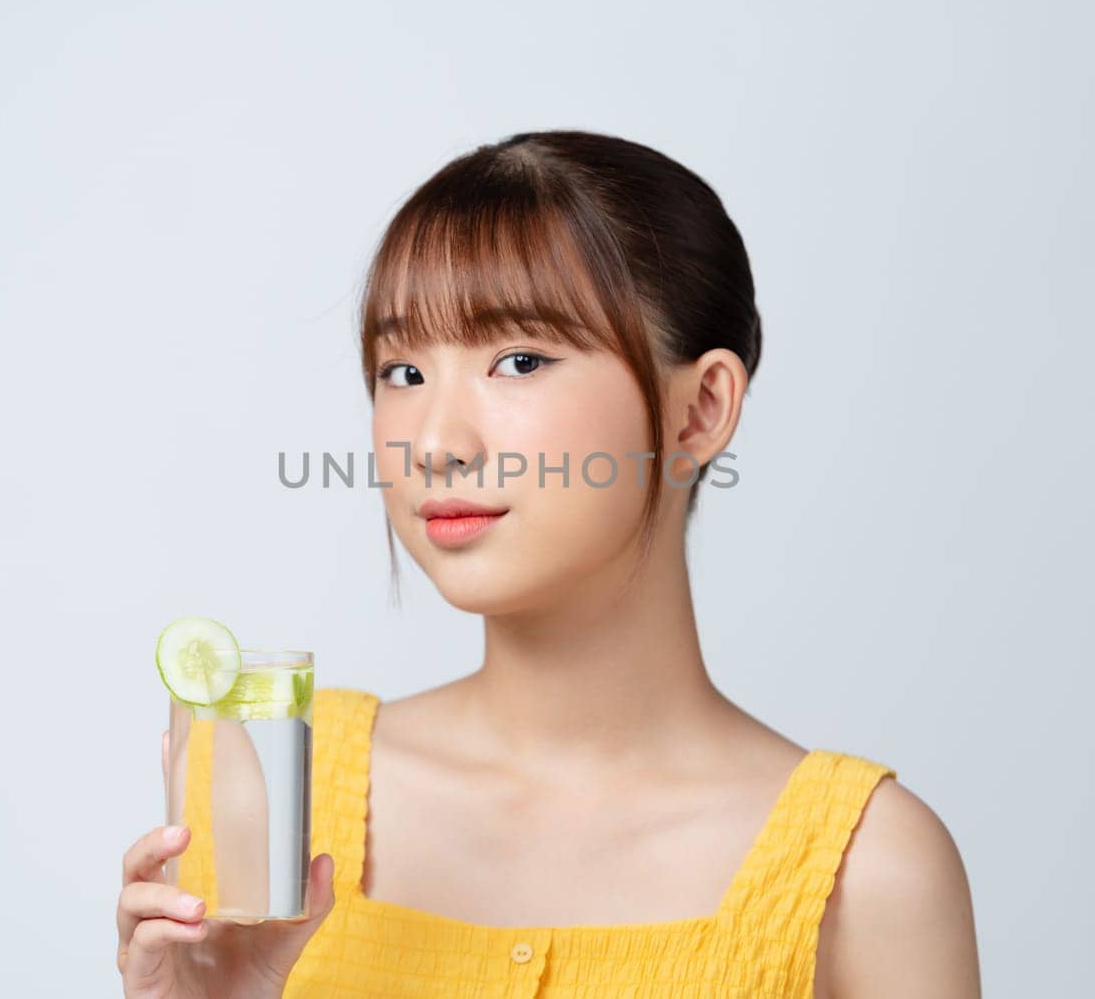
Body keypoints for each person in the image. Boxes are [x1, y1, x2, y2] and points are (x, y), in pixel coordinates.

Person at [117, 129, 981, 997]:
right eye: (402, 370)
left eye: (519, 361)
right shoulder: (276, 794)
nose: (437, 445)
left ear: (700, 410)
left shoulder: (870, 872)